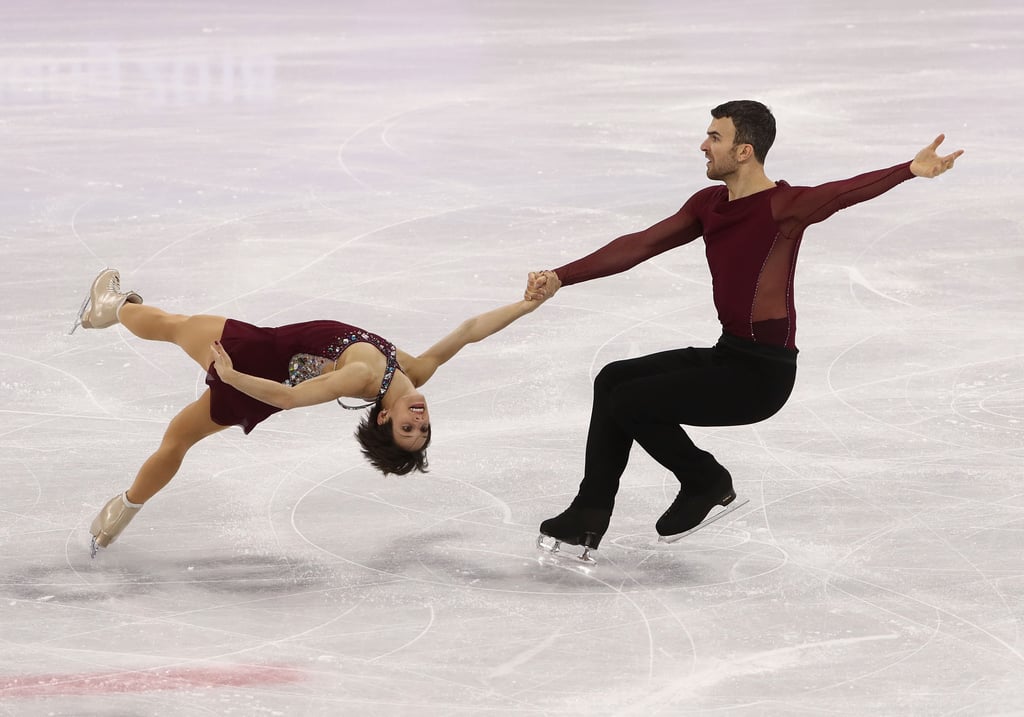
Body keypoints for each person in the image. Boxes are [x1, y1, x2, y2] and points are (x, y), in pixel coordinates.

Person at [526, 100, 963, 560]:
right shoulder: (709, 205)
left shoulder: (784, 207)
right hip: (728, 356)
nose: (703, 145)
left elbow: (843, 192)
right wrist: (562, 275)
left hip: (761, 378)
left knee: (630, 401)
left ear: (744, 152)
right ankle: (588, 514)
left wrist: (910, 170)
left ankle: (704, 480)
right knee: (614, 378)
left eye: (715, 137)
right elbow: (643, 243)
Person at [75, 268, 549, 555]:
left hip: (251, 357)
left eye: (408, 427)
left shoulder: (363, 376)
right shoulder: (415, 371)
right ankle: (121, 512)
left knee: (174, 326)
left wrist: (232, 374)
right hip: (263, 376)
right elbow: (469, 331)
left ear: (384, 419)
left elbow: (288, 398)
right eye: (423, 427)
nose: (419, 418)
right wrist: (528, 305)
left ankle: (110, 308)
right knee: (179, 438)